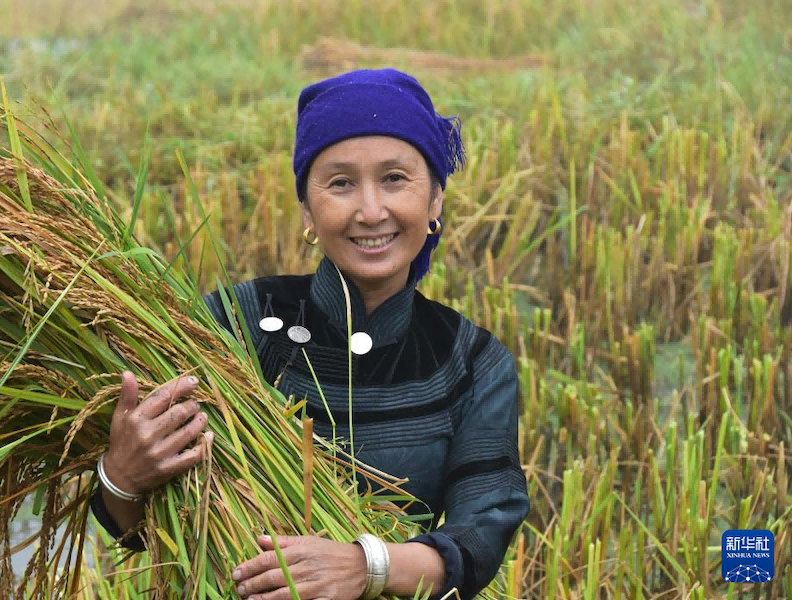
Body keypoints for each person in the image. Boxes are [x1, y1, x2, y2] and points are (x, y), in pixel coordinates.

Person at [90, 68, 530, 600]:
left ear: (434, 200)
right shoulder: (231, 322)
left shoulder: (471, 360)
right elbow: (139, 531)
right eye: (341, 183)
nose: (371, 211)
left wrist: (367, 566)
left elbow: (481, 534)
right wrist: (122, 475)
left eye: (395, 178)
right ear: (307, 208)